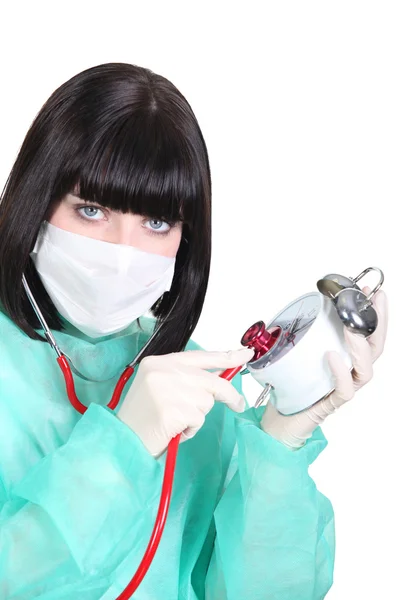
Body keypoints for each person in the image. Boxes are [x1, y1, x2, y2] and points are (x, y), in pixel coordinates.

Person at [0, 62, 388, 600]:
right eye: (91, 210)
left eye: (157, 222)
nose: (122, 251)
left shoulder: (189, 386)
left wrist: (281, 440)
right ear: (34, 199)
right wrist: (123, 446)